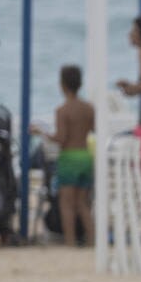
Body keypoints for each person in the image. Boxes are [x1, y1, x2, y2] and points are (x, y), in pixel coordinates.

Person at [30, 65, 94, 246]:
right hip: (85, 156)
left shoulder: (63, 110)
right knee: (83, 204)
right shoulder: (89, 108)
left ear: (63, 85)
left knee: (66, 204)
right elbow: (94, 129)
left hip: (69, 158)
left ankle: (70, 241)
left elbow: (61, 138)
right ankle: (91, 240)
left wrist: (41, 131)